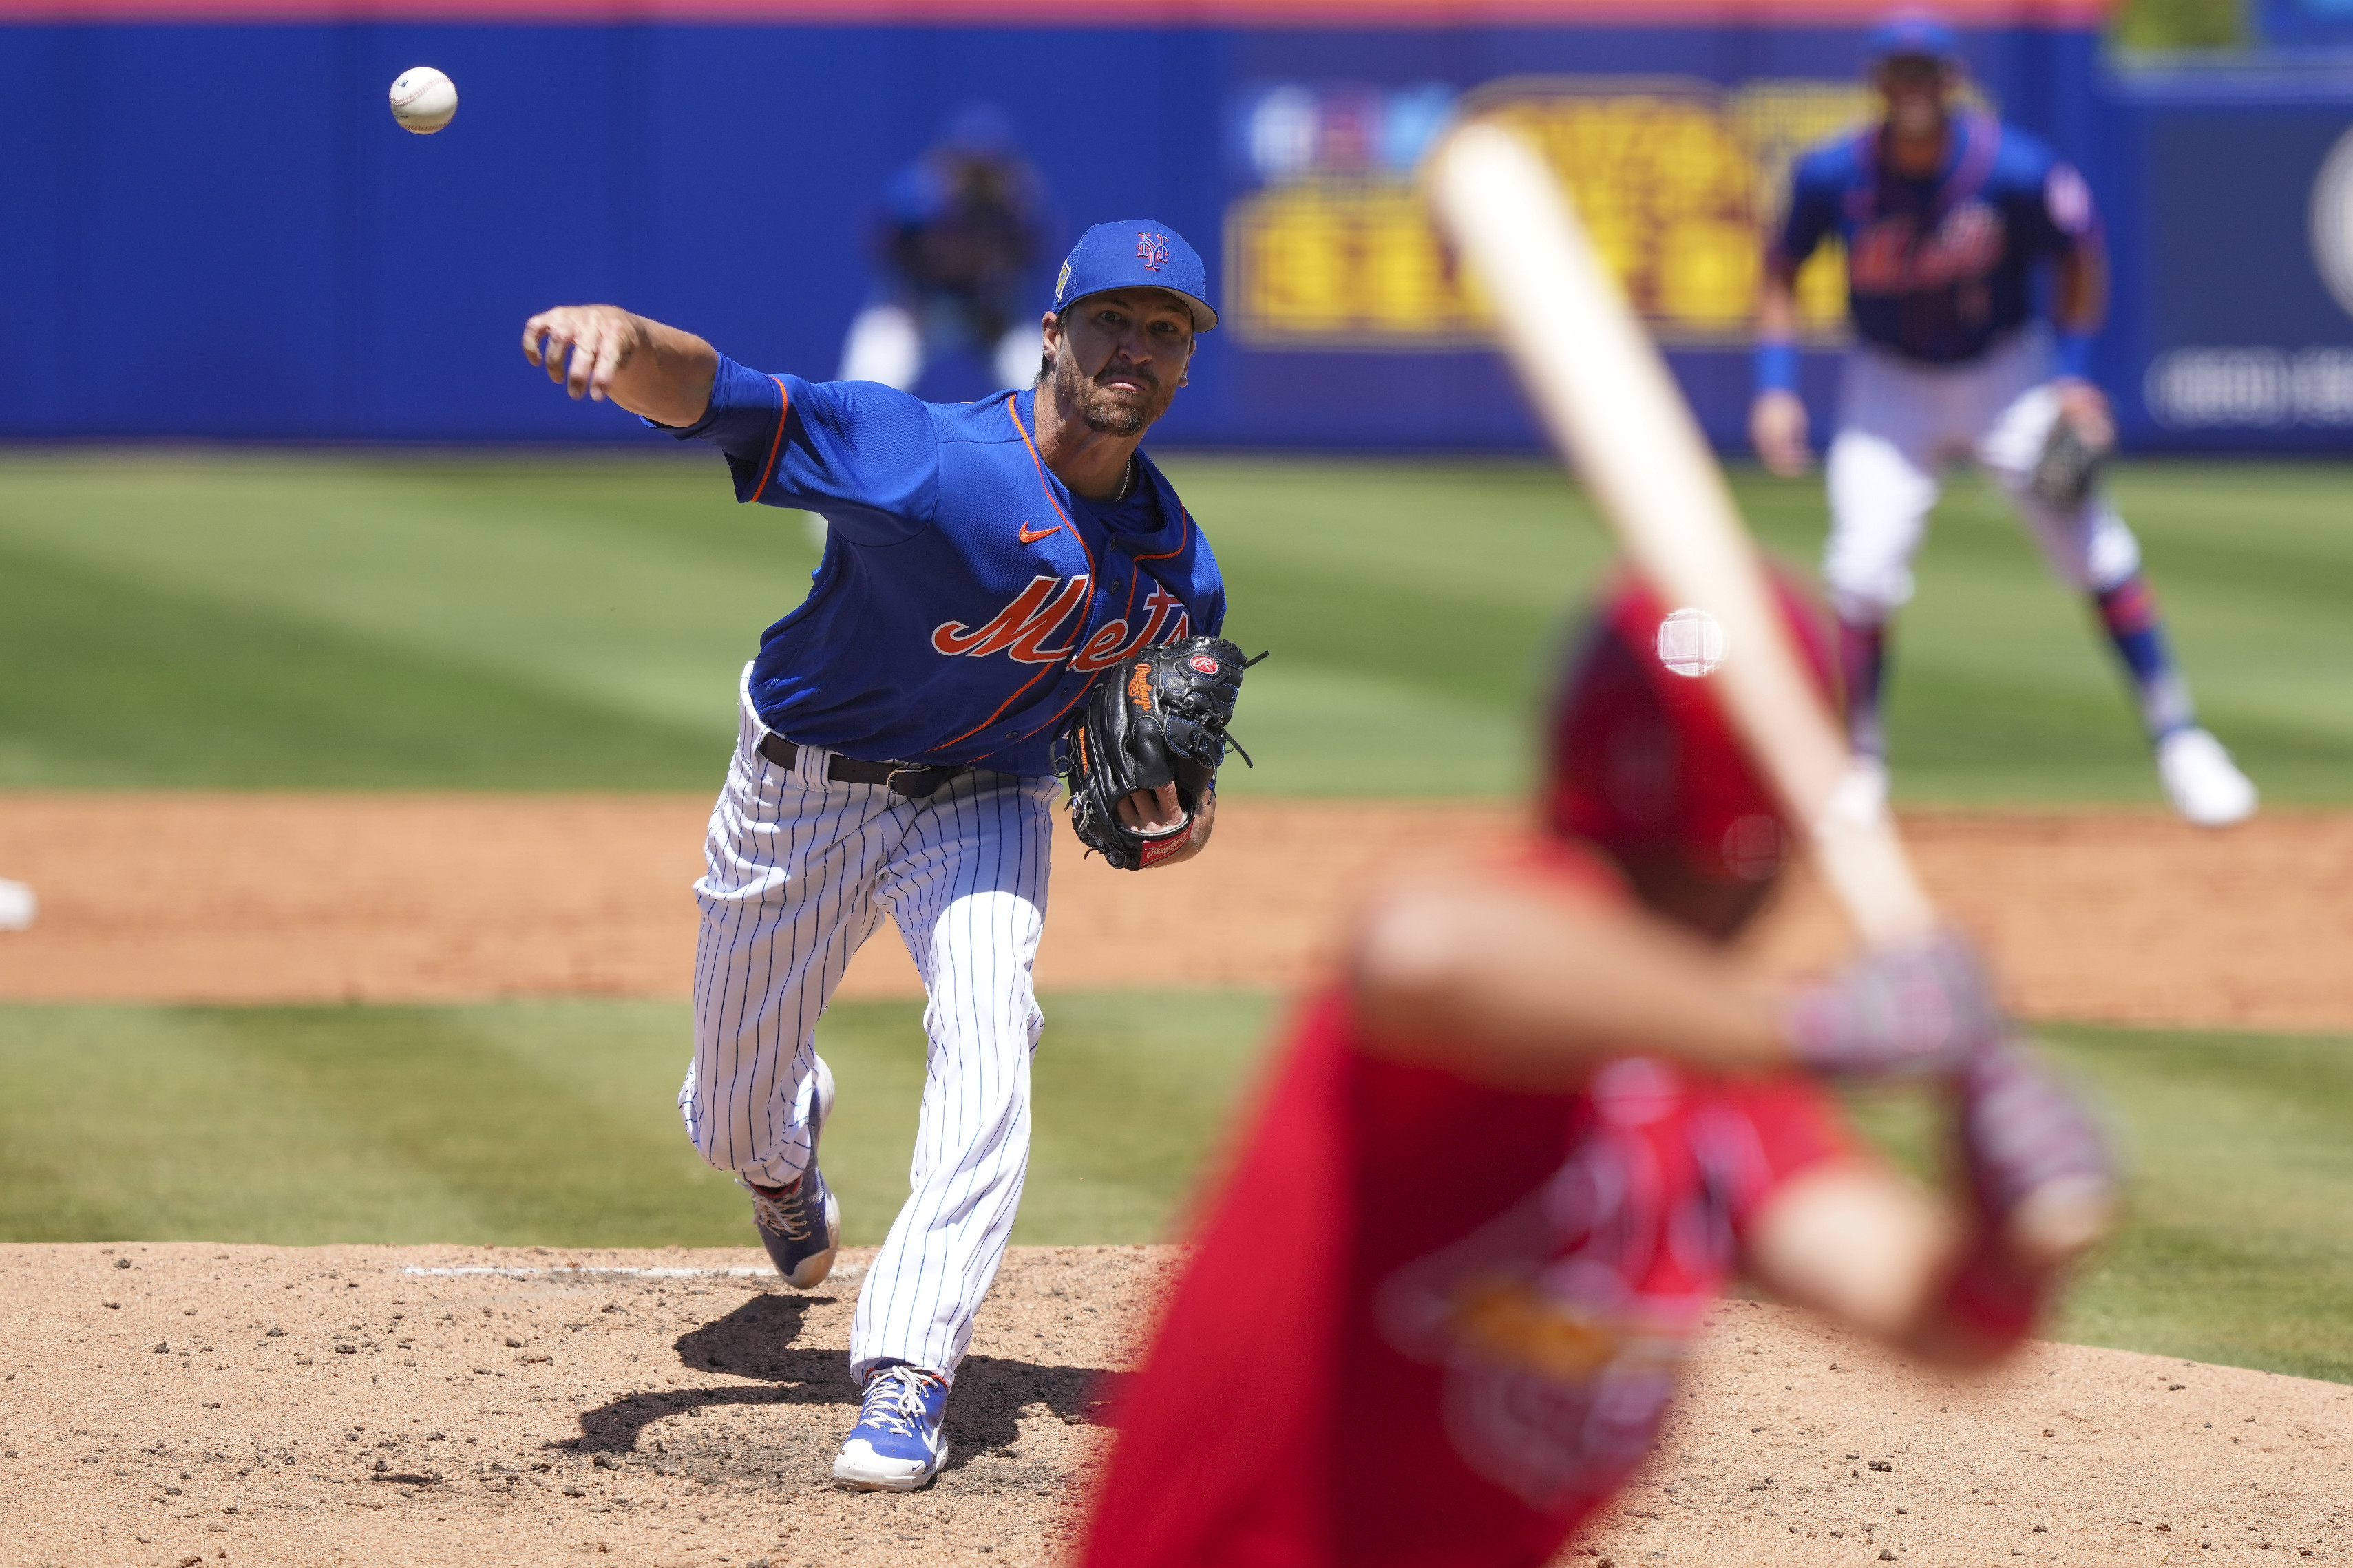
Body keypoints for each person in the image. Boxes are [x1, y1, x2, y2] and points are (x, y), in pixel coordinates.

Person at [1077, 576, 2115, 1567]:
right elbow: (1415, 947)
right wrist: (1807, 1025)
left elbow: (1927, 1316)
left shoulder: (1711, 1070)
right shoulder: (1517, 958)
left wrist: (2012, 1246)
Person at [520, 219, 1226, 1492]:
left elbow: (1162, 755)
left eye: (1166, 331)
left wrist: (1176, 807)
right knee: (730, 1112)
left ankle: (908, 1371)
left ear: (1183, 370)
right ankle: (783, 1160)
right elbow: (728, 397)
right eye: (1114, 319)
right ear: (1053, 333)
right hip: (799, 792)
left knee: (990, 1031)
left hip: (984, 802)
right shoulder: (932, 456)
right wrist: (623, 345)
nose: (1138, 345)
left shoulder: (1180, 573)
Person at [1750, 12, 2256, 827]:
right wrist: (1774, 386)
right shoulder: (1830, 173)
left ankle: (2181, 740)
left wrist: (2073, 381)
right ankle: (1860, 763)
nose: (1913, 87)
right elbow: (1779, 271)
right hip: (1889, 386)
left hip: (2003, 375)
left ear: (1952, 81)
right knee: (1862, 569)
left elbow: (2081, 254)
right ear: (1877, 83)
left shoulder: (2011, 170)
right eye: (1898, 72)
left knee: (2095, 548)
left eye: (1927, 71)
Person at [838, 103, 1059, 397]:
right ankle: (845, 434)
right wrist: (905, 293)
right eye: (971, 165)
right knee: (865, 385)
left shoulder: (1020, 208)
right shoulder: (917, 197)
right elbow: (882, 237)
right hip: (919, 306)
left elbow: (1034, 253)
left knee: (1041, 385)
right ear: (951, 161)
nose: (979, 178)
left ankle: (1054, 441)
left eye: (989, 167)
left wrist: (1002, 297)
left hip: (988, 314)